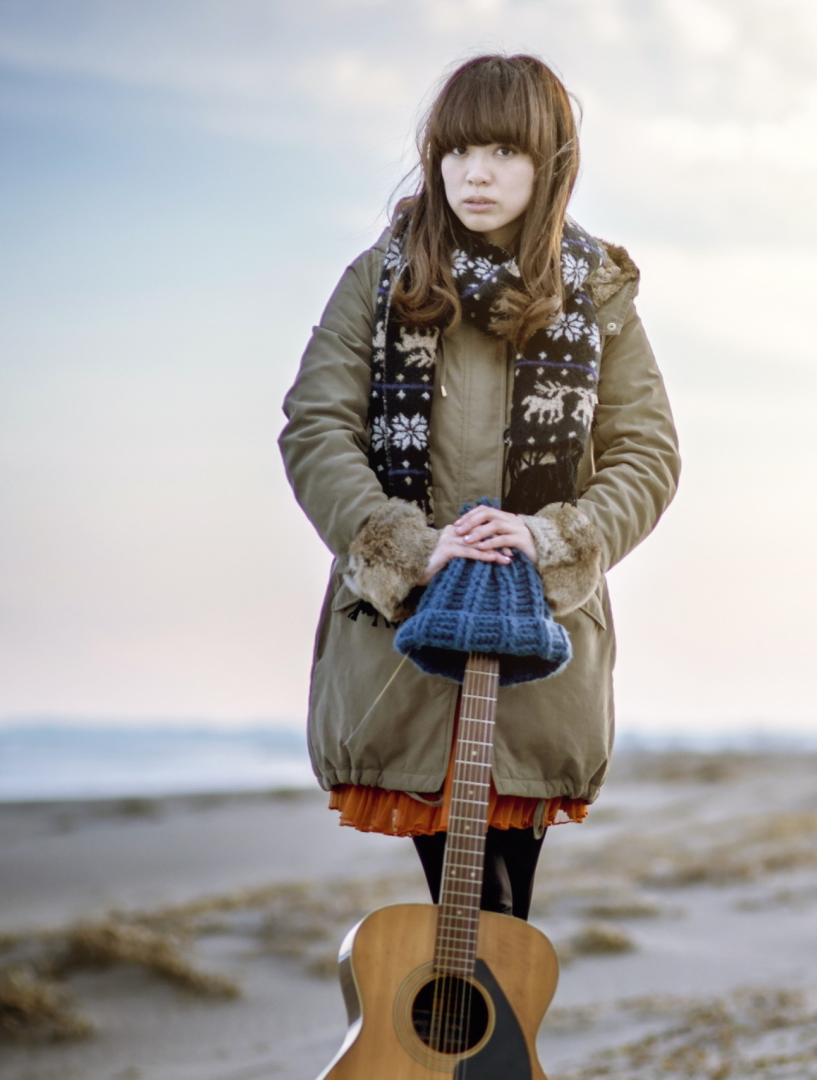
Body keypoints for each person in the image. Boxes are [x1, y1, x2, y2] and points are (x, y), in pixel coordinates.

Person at [279, 54, 679, 920]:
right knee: (470, 910)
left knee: (501, 915)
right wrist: (413, 549)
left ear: (551, 162)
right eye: (459, 151)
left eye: (503, 150)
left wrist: (549, 538)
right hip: (402, 640)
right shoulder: (379, 279)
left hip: (538, 643)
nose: (477, 174)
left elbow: (647, 453)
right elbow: (315, 428)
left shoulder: (598, 293)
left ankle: (486, 1052)